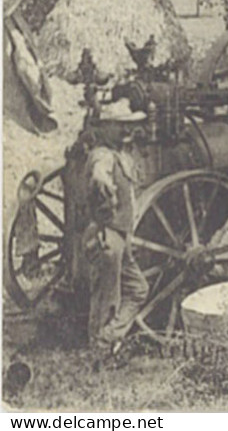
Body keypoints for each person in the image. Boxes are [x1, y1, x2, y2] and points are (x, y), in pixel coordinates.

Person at [80, 102, 149, 354]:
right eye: (120, 125)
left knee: (138, 289)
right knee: (106, 300)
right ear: (106, 127)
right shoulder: (103, 155)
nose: (124, 130)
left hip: (119, 237)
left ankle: (107, 340)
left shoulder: (117, 154)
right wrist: (108, 208)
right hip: (108, 237)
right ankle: (100, 356)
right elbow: (99, 176)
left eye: (127, 125)